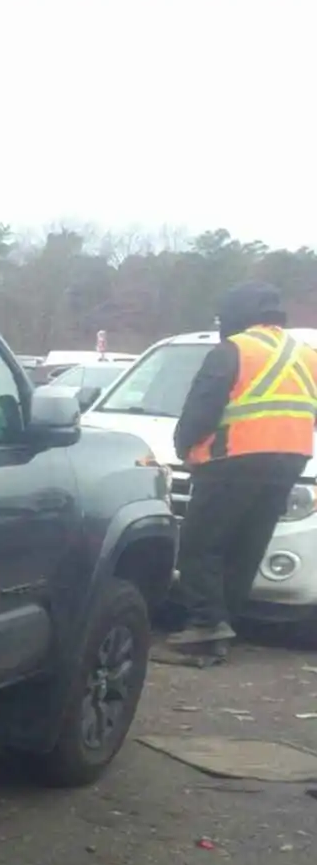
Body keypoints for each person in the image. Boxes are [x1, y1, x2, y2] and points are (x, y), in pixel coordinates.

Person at [156, 282, 317, 662]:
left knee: (198, 546)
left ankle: (205, 628)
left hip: (233, 460)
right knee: (245, 547)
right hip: (289, 461)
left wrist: (185, 449)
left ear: (237, 314)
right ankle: (218, 632)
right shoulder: (308, 355)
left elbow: (202, 407)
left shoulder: (234, 350)